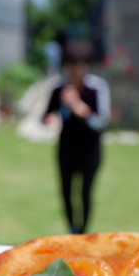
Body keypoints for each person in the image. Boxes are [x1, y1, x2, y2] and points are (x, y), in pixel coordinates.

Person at [43, 40, 110, 234]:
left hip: (90, 150)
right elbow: (46, 115)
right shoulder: (59, 88)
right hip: (66, 149)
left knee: (85, 193)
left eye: (79, 65)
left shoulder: (97, 88)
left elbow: (102, 122)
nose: (74, 70)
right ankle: (72, 230)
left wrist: (79, 108)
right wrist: (50, 119)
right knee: (66, 192)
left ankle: (83, 232)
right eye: (70, 65)